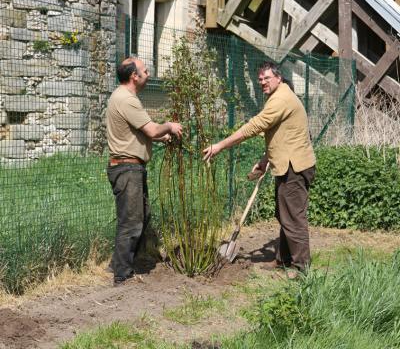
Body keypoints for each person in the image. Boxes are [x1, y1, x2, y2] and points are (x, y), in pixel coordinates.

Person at [203, 61, 315, 276]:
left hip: (295, 167)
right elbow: (282, 134)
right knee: (285, 214)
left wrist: (220, 146)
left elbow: (255, 126)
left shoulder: (281, 98)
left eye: (267, 78)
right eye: (260, 79)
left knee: (293, 217)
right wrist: (266, 159)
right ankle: (284, 259)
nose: (262, 82)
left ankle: (302, 269)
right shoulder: (280, 95)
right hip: (288, 164)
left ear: (278, 78)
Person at [106, 57, 182, 286]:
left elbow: (139, 134)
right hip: (127, 168)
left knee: (141, 216)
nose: (149, 74)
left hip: (131, 166)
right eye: (145, 71)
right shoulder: (127, 100)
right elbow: (151, 129)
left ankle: (127, 263)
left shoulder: (125, 97)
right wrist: (169, 126)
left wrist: (161, 137)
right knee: (131, 221)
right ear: (134, 76)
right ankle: (121, 274)